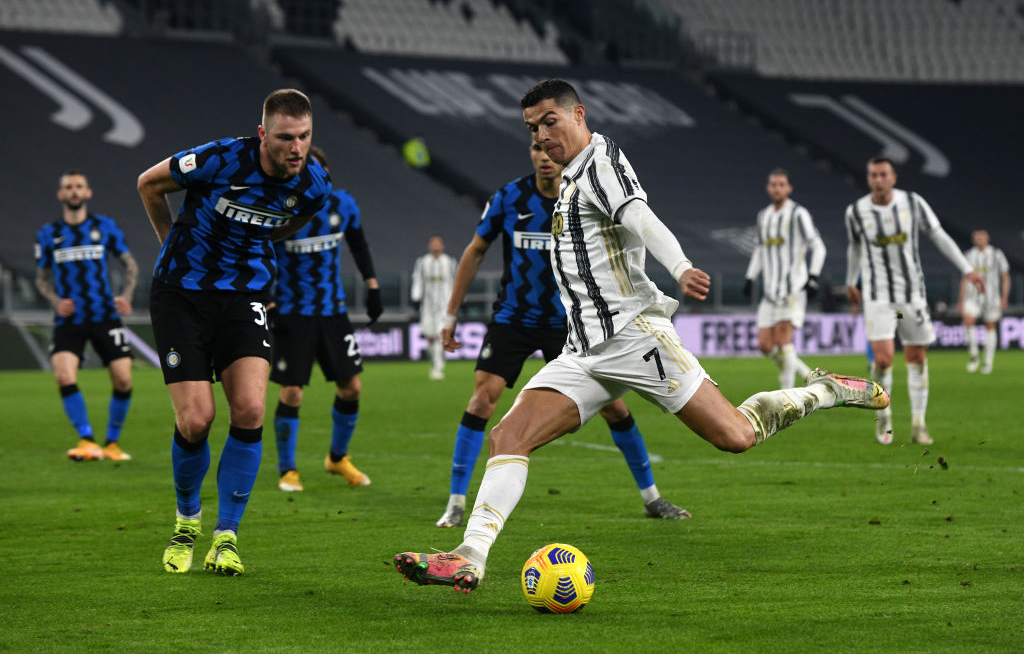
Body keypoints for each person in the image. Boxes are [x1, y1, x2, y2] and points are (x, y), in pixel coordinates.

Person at [393, 79, 888, 593]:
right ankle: (469, 555)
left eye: (549, 122)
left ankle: (825, 389)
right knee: (508, 436)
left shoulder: (599, 164)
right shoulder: (567, 179)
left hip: (635, 338)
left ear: (578, 115)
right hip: (583, 350)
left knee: (736, 436)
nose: (541, 137)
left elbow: (641, 219)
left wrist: (681, 265)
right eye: (532, 129)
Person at [434, 141, 690, 529]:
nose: (542, 155)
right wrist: (450, 313)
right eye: (534, 148)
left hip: (572, 321)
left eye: (546, 148)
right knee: (482, 400)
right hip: (514, 318)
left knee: (615, 407)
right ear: (531, 154)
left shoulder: (582, 197)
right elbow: (474, 251)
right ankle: (455, 502)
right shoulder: (508, 198)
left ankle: (652, 497)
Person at [138, 89, 332, 576]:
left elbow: (295, 219)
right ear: (264, 134)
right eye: (286, 138)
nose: (296, 148)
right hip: (181, 294)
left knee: (248, 409)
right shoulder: (219, 158)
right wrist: (170, 243)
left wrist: (255, 243)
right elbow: (148, 184)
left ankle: (227, 536)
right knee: (197, 420)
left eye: (304, 137)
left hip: (243, 297)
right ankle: (187, 521)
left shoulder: (313, 184)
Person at [844, 156, 984, 445]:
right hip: (877, 295)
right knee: (883, 358)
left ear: (893, 177)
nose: (878, 180)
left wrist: (967, 270)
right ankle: (884, 414)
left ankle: (919, 424)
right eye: (873, 175)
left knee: (916, 357)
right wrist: (850, 281)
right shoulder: (856, 212)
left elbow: (939, 236)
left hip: (912, 294)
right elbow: (855, 249)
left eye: (883, 175)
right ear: (868, 179)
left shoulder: (913, 203)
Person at [270, 146, 382, 493]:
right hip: (293, 313)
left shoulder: (342, 204)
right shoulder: (281, 208)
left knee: (351, 387)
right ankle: (287, 469)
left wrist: (372, 286)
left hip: (332, 311)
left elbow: (359, 244)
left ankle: (337, 458)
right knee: (291, 393)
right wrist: (268, 300)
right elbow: (261, 253)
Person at [35, 169, 137, 462]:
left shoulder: (104, 227)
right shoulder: (48, 234)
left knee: (123, 380)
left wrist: (127, 296)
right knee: (63, 374)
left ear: (88, 192)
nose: (74, 191)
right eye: (69, 187)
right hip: (70, 319)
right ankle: (86, 439)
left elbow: (129, 264)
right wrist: (55, 300)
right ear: (61, 194)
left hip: (104, 313)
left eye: (79, 186)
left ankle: (112, 443)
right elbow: (42, 278)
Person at [742, 169, 826, 388]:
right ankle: (809, 375)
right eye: (773, 184)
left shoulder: (798, 213)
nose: (777, 188)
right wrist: (750, 277)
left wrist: (813, 276)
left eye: (781, 184)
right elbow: (760, 249)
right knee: (764, 345)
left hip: (793, 289)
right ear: (768, 188)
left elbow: (818, 246)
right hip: (770, 292)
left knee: (782, 342)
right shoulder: (763, 216)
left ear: (789, 188)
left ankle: (786, 397)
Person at [958, 229, 1009, 375]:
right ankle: (974, 355)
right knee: (968, 321)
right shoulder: (969, 255)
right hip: (972, 296)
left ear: (987, 238)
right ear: (974, 240)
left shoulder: (997, 254)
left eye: (981, 237)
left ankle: (988, 361)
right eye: (976, 237)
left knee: (990, 326)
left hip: (992, 297)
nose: (979, 240)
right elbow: (964, 278)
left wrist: (1004, 297)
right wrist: (961, 300)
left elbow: (1005, 276)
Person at [411, 234, 457, 380]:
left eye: (438, 243)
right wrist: (416, 297)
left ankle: (437, 368)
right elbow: (417, 280)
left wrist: (460, 300)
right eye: (433, 243)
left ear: (442, 245)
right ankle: (436, 361)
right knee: (430, 337)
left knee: (439, 335)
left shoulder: (449, 262)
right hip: (427, 307)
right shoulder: (422, 262)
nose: (436, 246)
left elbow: (456, 281)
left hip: (445, 306)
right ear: (430, 246)